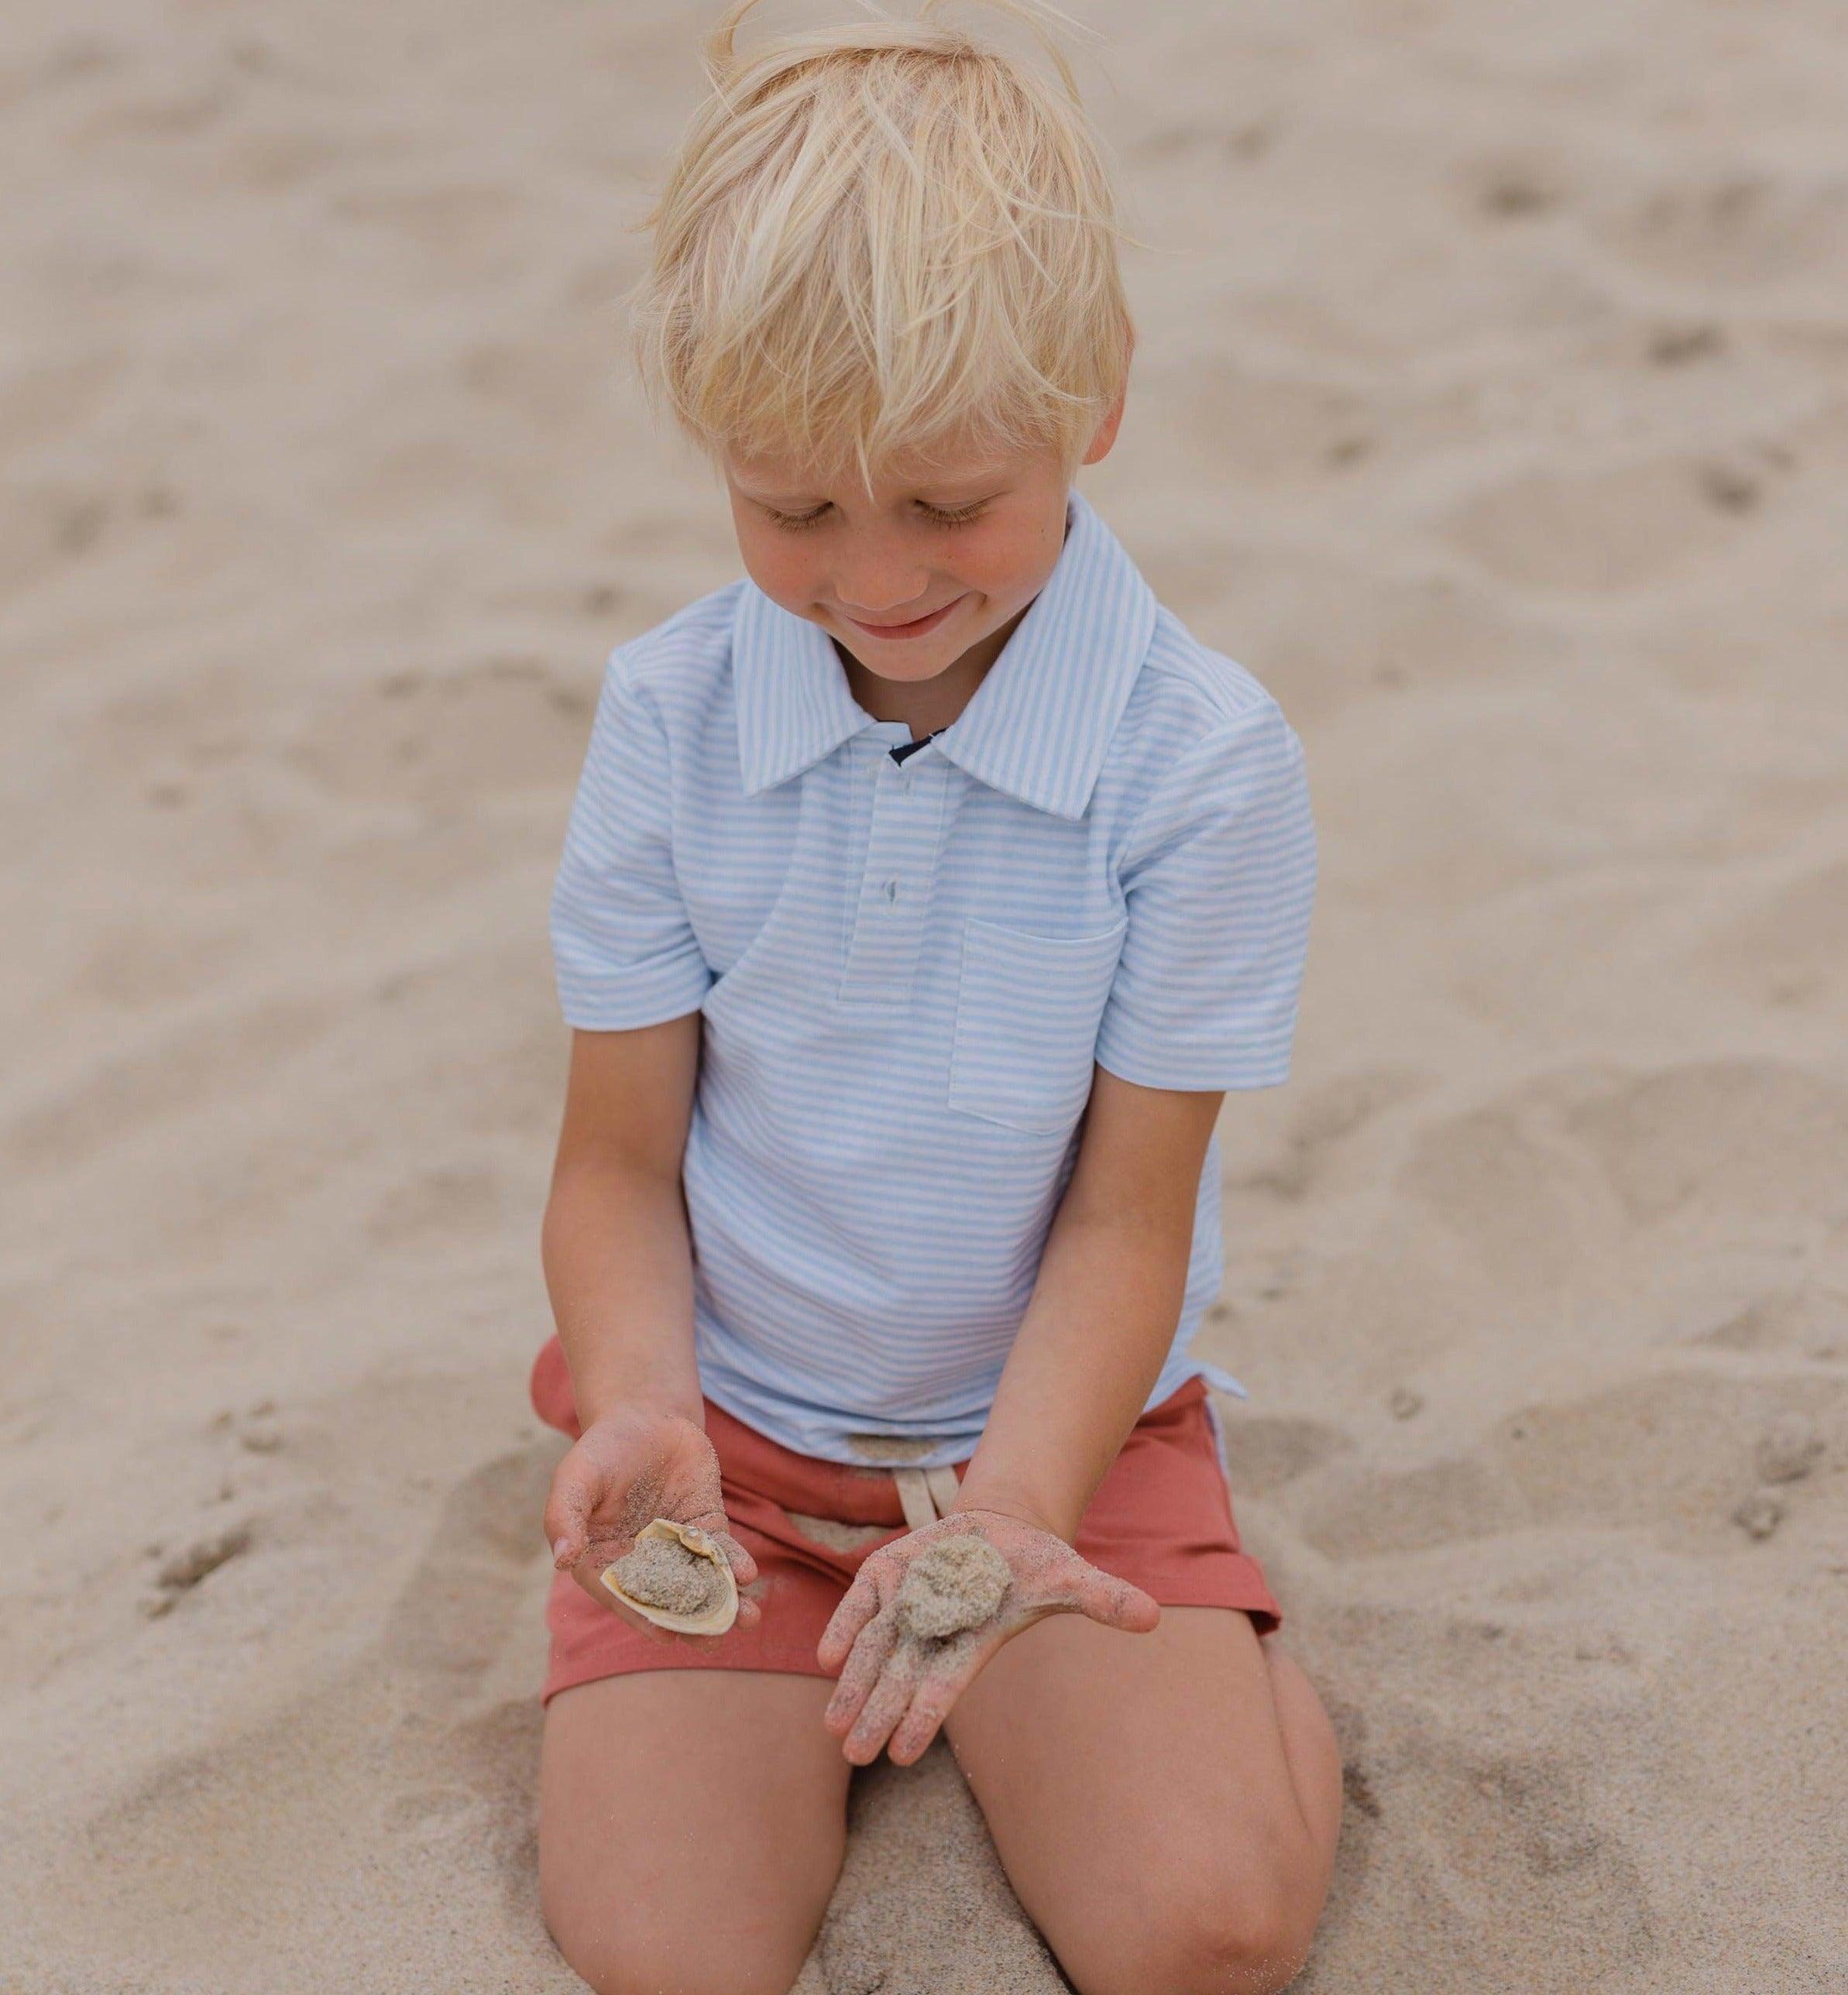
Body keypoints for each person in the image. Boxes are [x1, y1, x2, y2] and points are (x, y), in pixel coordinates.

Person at [527, 3, 1341, 1989]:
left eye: (947, 500)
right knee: (666, 1950)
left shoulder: (1203, 763)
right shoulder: (670, 714)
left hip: (1060, 1430)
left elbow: (1125, 1214)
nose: (873, 579)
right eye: (791, 508)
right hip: (737, 1435)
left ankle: (1225, 1674)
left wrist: (1011, 1518)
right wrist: (641, 1395)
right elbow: (620, 1160)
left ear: (1099, 395)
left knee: (1200, 1934)